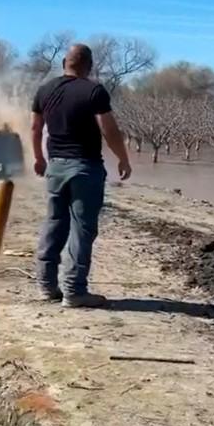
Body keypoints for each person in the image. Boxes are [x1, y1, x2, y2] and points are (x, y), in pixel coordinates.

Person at [30, 43, 132, 308]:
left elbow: (35, 128)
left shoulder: (45, 90)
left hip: (56, 166)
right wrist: (123, 158)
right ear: (89, 65)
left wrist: (39, 158)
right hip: (85, 168)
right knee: (82, 228)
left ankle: (46, 285)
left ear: (65, 62)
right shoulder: (94, 91)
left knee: (54, 222)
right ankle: (74, 290)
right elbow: (109, 129)